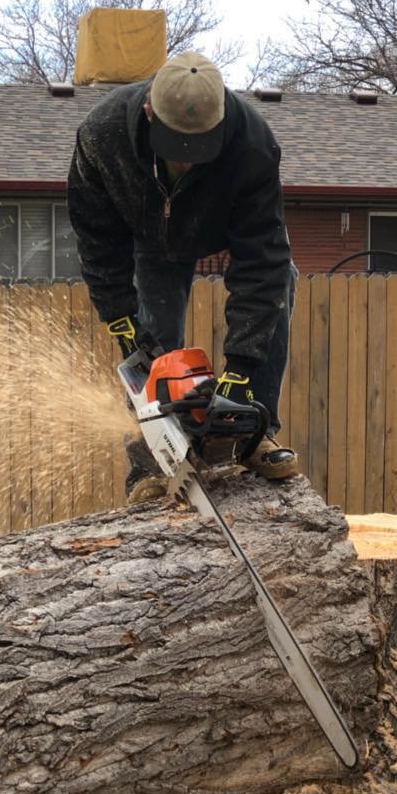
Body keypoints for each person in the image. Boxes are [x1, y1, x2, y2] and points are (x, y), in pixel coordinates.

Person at [67, 51, 299, 502]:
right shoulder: (103, 136)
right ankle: (148, 462)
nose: (189, 162)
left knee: (281, 281)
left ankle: (257, 430)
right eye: (178, 150)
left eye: (200, 150)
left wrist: (241, 370)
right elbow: (96, 236)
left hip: (220, 221)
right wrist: (119, 314)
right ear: (151, 112)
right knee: (151, 339)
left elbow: (262, 261)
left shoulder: (252, 144)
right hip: (151, 237)